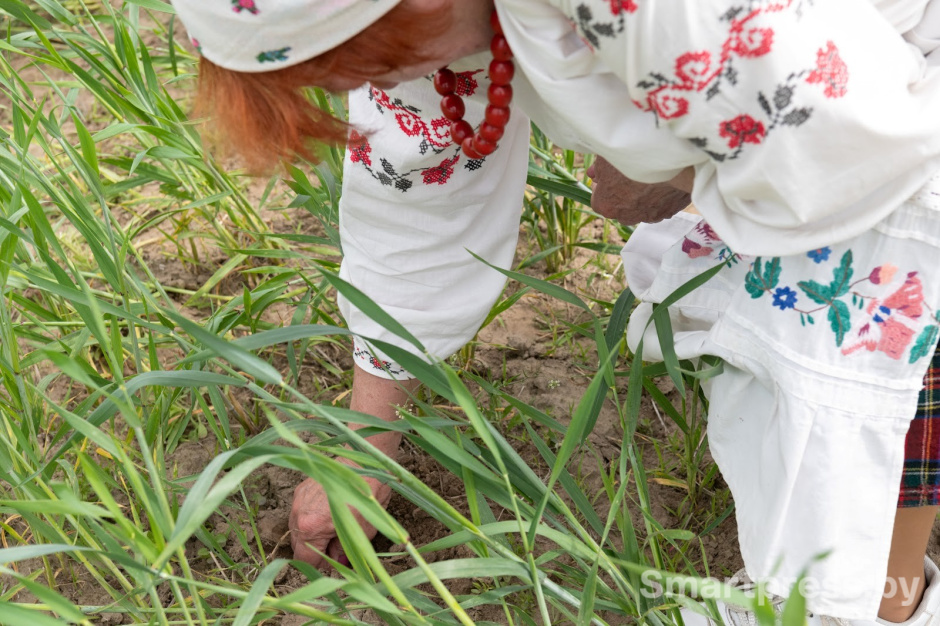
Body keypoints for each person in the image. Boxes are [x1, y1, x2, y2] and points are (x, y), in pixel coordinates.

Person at [170, 0, 940, 622]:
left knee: (853, 328)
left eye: (353, 65)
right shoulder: (415, 34)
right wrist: (365, 444)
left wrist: (671, 174)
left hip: (888, 133)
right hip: (802, 128)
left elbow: (862, 150)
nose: (357, 85)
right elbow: (416, 210)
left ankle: (874, 602)